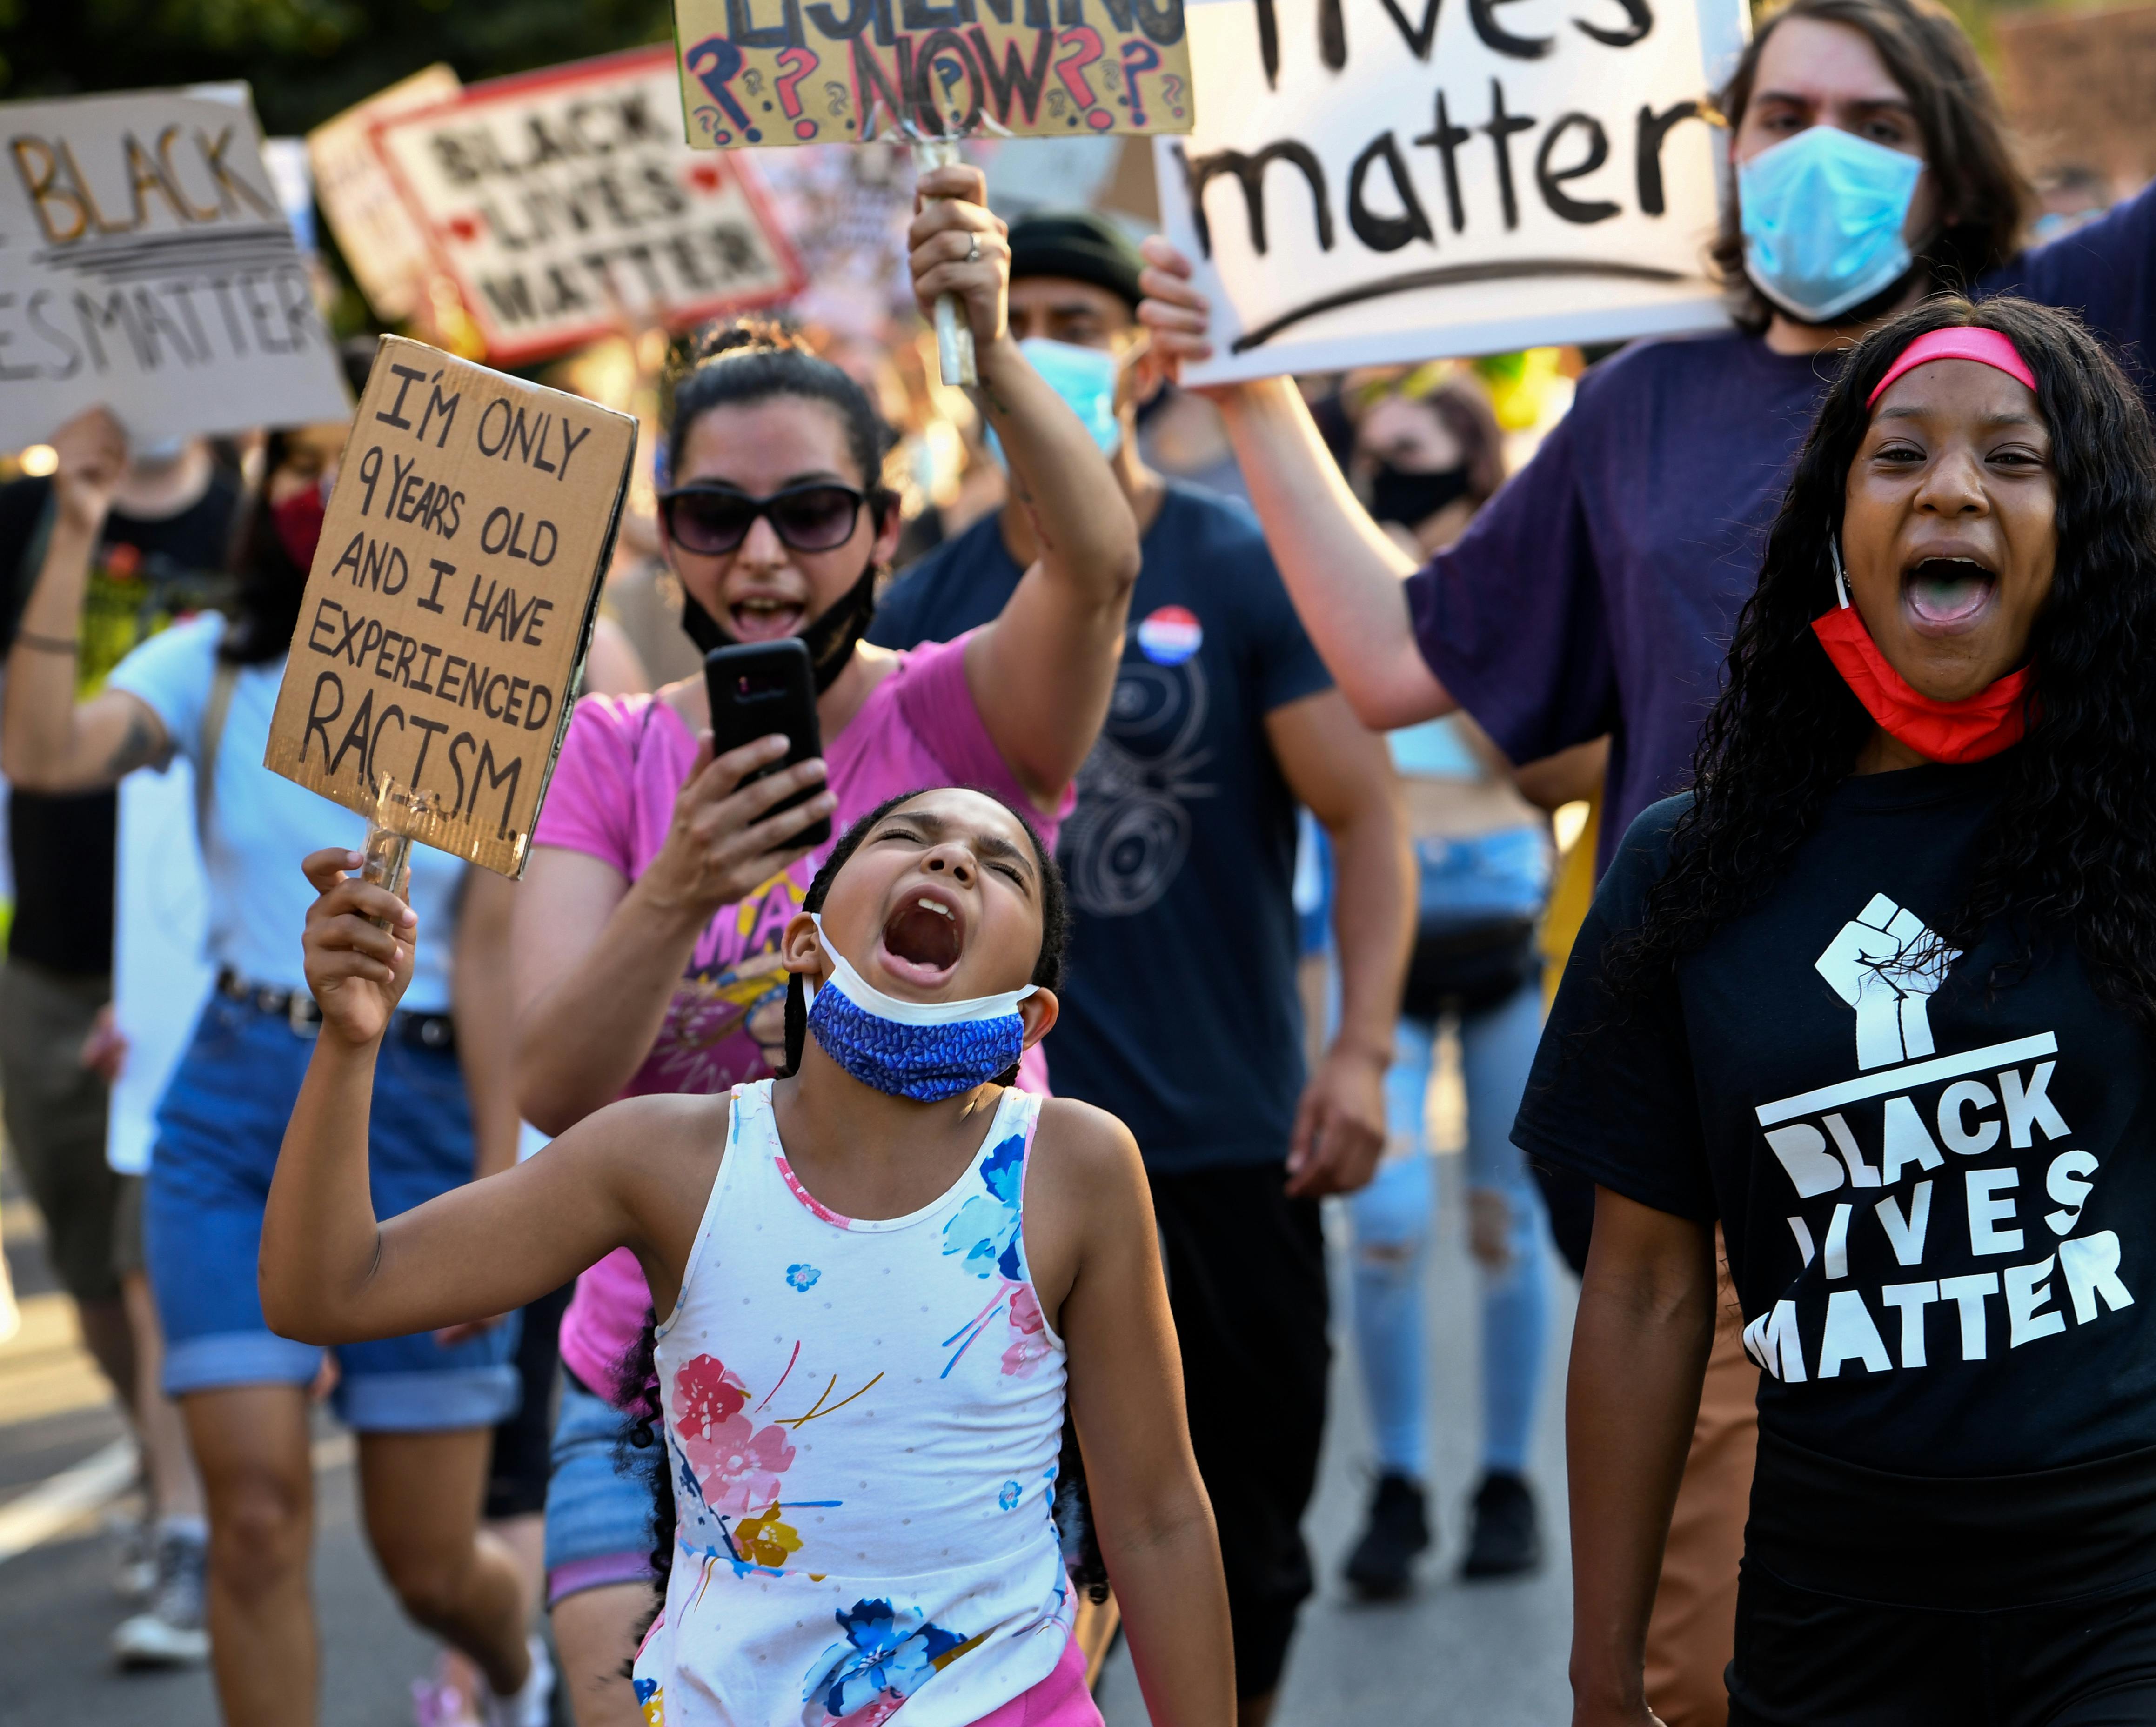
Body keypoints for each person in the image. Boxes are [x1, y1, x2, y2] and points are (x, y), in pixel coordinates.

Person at [1138, 0, 2156, 1707]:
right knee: (1701, 1678)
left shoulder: (2057, 334)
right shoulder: (1638, 407)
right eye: (1780, 111)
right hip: (1755, 1150)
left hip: (2047, 1122)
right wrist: (1259, 383)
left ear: (1956, 171)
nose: (1820, 152)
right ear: (1710, 153)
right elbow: (1395, 661)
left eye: (1877, 124)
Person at [1520, 0, 2156, 1711]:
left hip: (2130, 1607)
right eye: (1899, 457)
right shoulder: (1685, 871)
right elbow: (1637, 1298)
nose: (1952, 491)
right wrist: (1599, 1670)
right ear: (1831, 533)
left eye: (2016, 461)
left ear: (2079, 538)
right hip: (1832, 1617)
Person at [509, 166, 1143, 1727]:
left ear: (881, 525)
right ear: (666, 539)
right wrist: (676, 888)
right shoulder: (606, 752)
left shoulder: (961, 714)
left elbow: (1098, 565)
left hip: (956, 1373)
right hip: (651, 1373)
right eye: (714, 518)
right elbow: (555, 1088)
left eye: (810, 513)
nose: (764, 560)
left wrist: (988, 348)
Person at [262, 786, 1235, 1727]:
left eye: (1003, 867)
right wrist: (350, 1042)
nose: (951, 859)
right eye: (910, 835)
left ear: (1030, 1018)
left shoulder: (1078, 1166)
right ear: (803, 941)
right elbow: (329, 1290)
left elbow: (1156, 1517)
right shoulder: (662, 1157)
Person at [868, 209, 1413, 1725]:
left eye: (1072, 314)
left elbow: (1367, 820)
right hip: (985, 1167)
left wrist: (1359, 1049)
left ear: (1141, 349)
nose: (1040, 337)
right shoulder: (924, 595)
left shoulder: (1234, 567)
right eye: (1011, 311)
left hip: (1225, 1143)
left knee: (1239, 1533)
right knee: (1025, 1555)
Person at [1, 394, 540, 1725]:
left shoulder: (499, 689)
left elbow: (489, 965)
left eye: (370, 473)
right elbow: (43, 749)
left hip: (421, 1114)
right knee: (250, 1514)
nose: (332, 493)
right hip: (238, 1098)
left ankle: (517, 1668)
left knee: (429, 1566)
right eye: (307, 466)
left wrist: (495, 1179)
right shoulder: (215, 665)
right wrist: (72, 525)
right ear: (267, 491)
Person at [0, 430, 233, 1666]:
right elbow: (23, 737)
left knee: (155, 1270)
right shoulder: (29, 519)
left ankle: (188, 1530)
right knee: (94, 1281)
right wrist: (74, 522)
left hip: (191, 966)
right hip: (45, 954)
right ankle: (159, 1471)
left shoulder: (255, 522)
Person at [1330, 374, 1559, 1595]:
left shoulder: (1507, 582)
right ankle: (1403, 1483)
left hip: (1506, 945)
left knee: (1505, 1232)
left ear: (1470, 468)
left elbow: (1542, 761)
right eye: (1372, 458)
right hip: (1384, 956)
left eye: (1411, 456)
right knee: (1381, 1227)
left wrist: (1446, 618)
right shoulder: (1337, 588)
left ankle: (1508, 1483)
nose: (1387, 479)